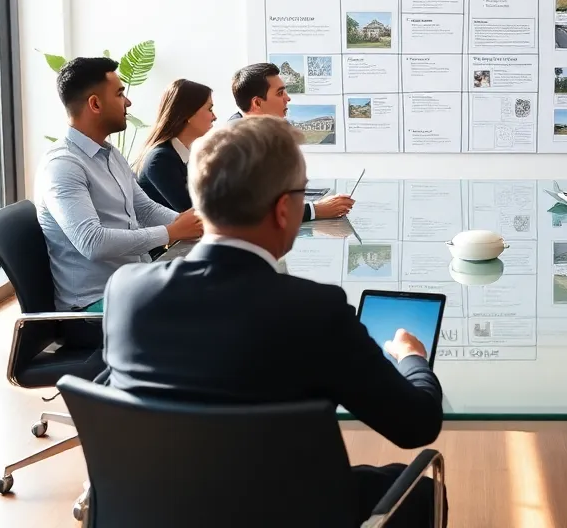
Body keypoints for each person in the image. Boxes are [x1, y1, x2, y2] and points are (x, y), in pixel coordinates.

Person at [100, 115, 446, 526]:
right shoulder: (316, 311)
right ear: (285, 210)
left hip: (159, 508)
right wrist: (412, 359)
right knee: (425, 490)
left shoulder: (126, 291)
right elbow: (415, 425)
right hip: (287, 511)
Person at [35, 57, 203, 312]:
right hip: (95, 304)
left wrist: (193, 224)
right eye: (120, 93)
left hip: (134, 282)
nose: (128, 102)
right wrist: (172, 232)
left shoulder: (110, 153)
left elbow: (144, 209)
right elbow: (93, 242)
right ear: (95, 103)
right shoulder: (63, 165)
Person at [231, 63, 355, 220]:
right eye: (280, 93)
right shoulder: (235, 141)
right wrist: (315, 210)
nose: (287, 98)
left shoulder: (262, 131)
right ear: (257, 103)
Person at [134, 79, 217, 211]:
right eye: (210, 109)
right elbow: (193, 211)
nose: (215, 116)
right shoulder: (160, 159)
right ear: (189, 113)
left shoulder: (187, 154)